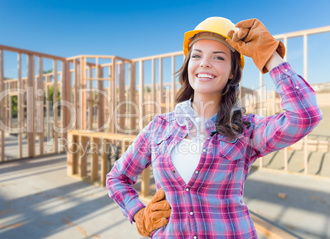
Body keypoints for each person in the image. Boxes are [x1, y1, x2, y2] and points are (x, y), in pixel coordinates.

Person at [106, 17, 323, 238]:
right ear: (188, 65)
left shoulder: (246, 130)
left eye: (218, 57)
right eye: (197, 55)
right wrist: (138, 214)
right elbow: (117, 178)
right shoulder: (159, 127)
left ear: (232, 72)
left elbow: (304, 115)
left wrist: (269, 55)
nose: (204, 63)